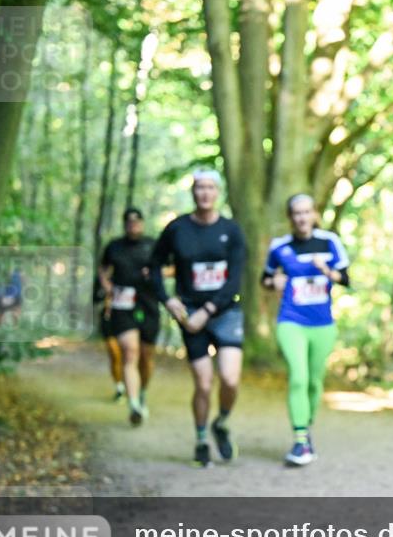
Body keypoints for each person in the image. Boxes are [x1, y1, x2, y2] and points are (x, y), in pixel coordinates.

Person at [150, 170, 246, 467]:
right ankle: (202, 438)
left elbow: (235, 280)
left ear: (218, 193)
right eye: (199, 187)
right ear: (193, 192)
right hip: (189, 314)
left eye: (210, 187)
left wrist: (208, 311)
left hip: (225, 312)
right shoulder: (177, 229)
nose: (205, 193)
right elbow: (153, 266)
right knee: (203, 384)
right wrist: (168, 300)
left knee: (229, 379)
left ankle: (222, 422)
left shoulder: (232, 231)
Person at [261, 193, 350, 466]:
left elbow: (345, 278)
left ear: (314, 214)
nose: (301, 217)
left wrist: (327, 271)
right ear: (290, 217)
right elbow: (265, 278)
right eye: (296, 213)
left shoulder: (329, 241)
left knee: (313, 381)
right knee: (298, 377)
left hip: (322, 324)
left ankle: (306, 424)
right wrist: (272, 282)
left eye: (306, 212)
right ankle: (300, 439)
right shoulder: (279, 246)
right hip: (291, 321)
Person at [98, 208, 160, 426]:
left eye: (136, 221)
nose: (133, 225)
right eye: (129, 222)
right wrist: (106, 285)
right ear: (124, 224)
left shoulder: (153, 245)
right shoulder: (114, 246)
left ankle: (142, 392)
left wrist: (155, 274)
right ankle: (133, 404)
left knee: (146, 356)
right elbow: (103, 269)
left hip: (148, 304)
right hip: (122, 305)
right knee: (129, 352)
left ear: (142, 223)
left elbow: (171, 268)